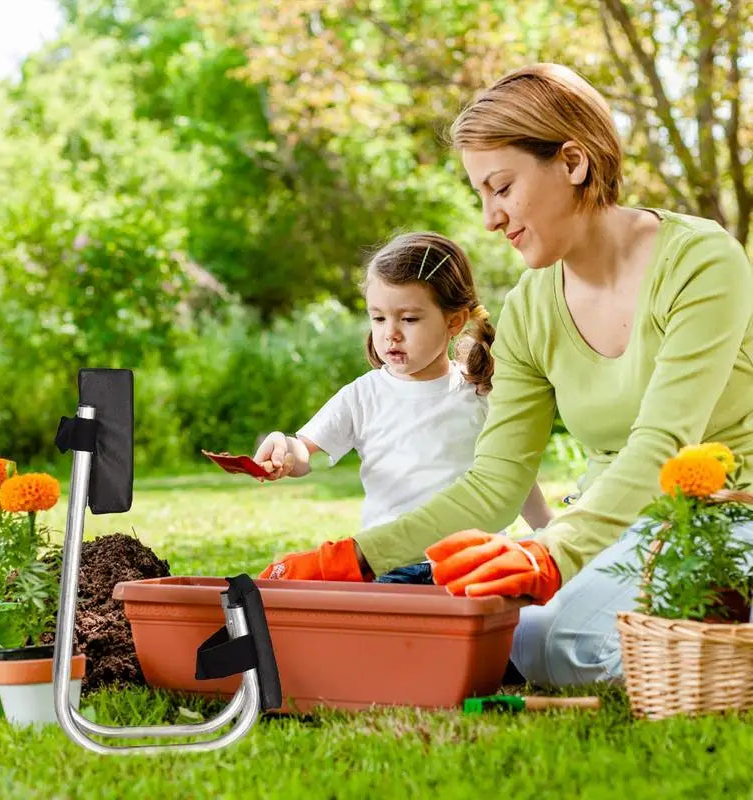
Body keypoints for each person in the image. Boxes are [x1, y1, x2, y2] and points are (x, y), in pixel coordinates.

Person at [259, 63, 753, 685]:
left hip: (727, 510)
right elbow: (492, 483)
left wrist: (550, 554)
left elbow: (663, 441)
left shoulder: (700, 261)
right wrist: (356, 558)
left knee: (561, 644)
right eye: (481, 196)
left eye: (502, 187)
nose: (491, 218)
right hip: (615, 520)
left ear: (573, 163)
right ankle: (695, 637)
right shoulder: (528, 309)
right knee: (504, 629)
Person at [254, 231, 553, 583]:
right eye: (378, 318)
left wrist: (549, 530)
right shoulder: (363, 396)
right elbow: (305, 453)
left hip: (474, 560)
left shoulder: (480, 393)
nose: (390, 334)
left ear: (453, 321)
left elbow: (511, 478)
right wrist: (284, 449)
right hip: (393, 563)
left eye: (408, 319)